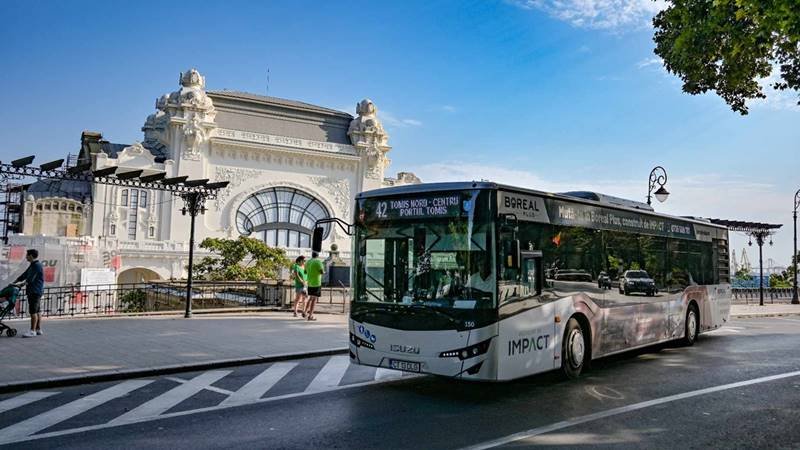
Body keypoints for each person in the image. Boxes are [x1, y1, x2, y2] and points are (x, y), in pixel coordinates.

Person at [15, 249, 44, 338]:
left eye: (27, 255)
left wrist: (21, 284)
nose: (26, 257)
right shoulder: (33, 265)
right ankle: (38, 329)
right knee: (37, 311)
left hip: (34, 291)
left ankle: (32, 331)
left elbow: (30, 278)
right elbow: (25, 274)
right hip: (36, 291)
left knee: (33, 312)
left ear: (31, 256)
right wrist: (16, 281)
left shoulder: (36, 266)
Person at [304, 252, 325, 321]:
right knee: (314, 300)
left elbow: (305, 272)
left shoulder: (308, 262)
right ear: (318, 255)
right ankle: (310, 315)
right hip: (316, 283)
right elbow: (321, 272)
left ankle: (305, 311)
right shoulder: (318, 262)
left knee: (310, 298)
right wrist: (323, 272)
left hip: (310, 283)